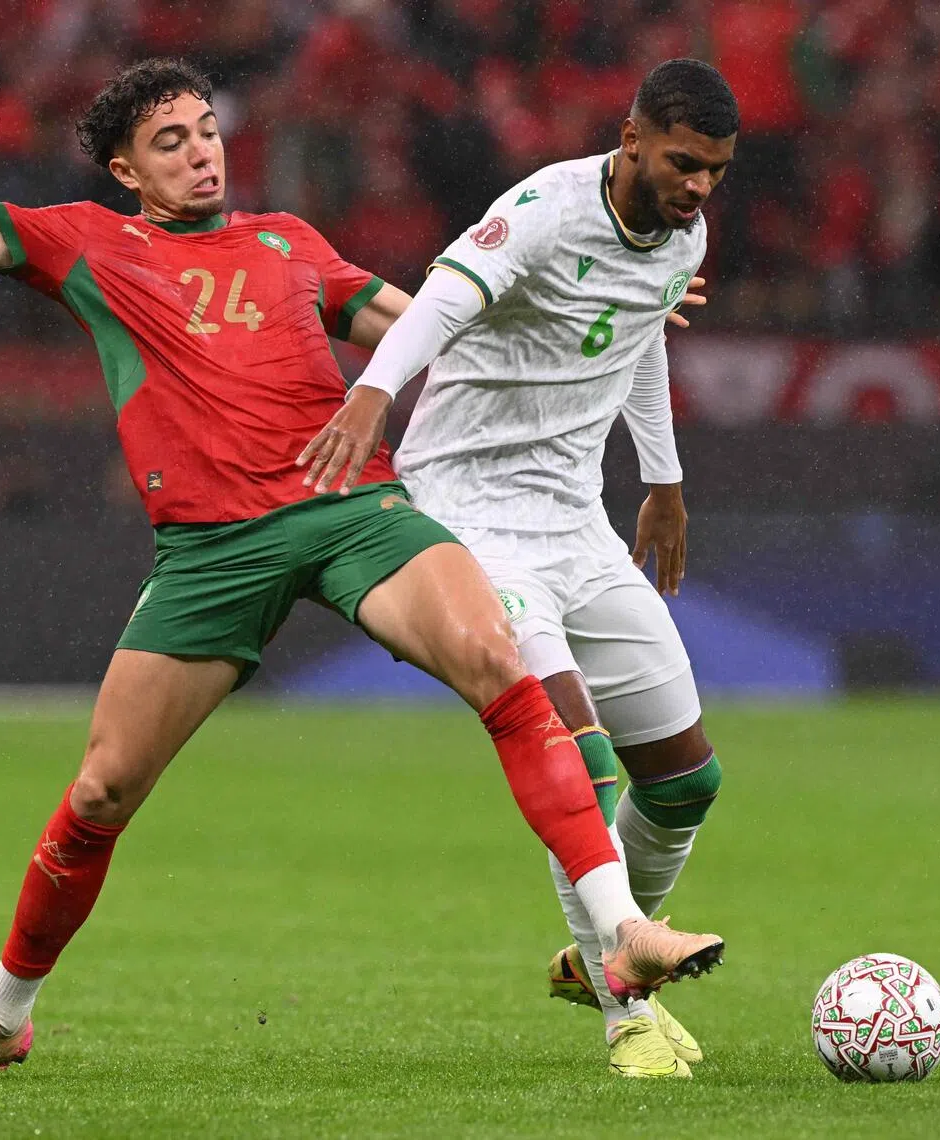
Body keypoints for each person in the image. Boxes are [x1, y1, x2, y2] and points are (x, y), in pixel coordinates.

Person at [0, 58, 724, 1083]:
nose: (201, 154)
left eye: (207, 131)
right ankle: (3, 1018)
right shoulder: (86, 243)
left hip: (353, 511)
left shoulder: (288, 243)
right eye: (171, 142)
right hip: (214, 549)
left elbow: (434, 321)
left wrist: (599, 308)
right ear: (126, 171)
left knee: (500, 662)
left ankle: (621, 932)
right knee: (101, 792)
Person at [299, 58, 738, 1079]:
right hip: (467, 516)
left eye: (716, 171)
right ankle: (626, 1007)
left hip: (574, 520)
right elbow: (445, 298)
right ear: (632, 140)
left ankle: (604, 950)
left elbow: (638, 339)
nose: (699, 187)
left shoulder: (684, 238)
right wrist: (374, 390)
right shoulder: (543, 208)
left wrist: (663, 480)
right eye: (683, 163)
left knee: (686, 781)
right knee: (576, 753)